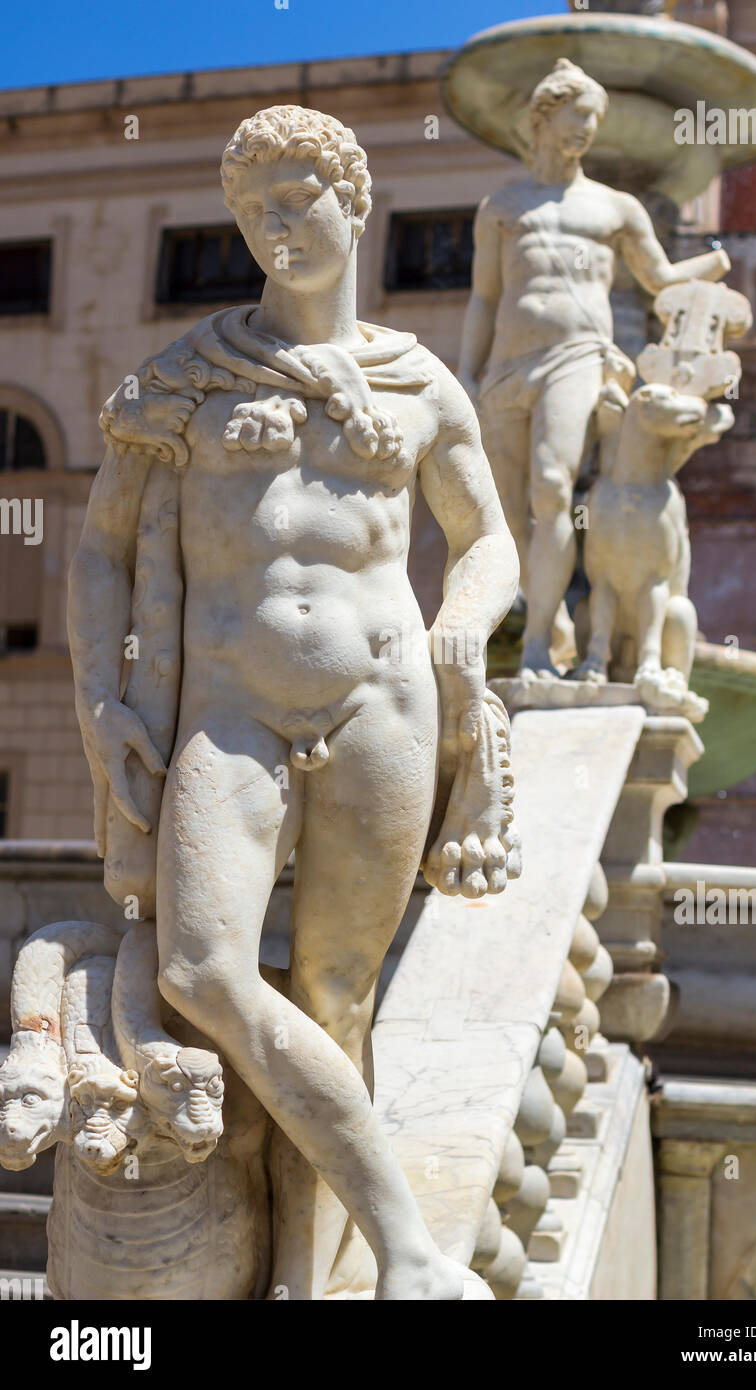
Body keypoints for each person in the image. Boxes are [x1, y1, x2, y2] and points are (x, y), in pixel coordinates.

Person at [68, 104, 519, 1300]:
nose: (278, 223)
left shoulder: (416, 381)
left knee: (336, 992)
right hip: (228, 705)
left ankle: (303, 1283)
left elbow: (488, 542)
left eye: (300, 194)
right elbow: (101, 545)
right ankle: (410, 1245)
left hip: (384, 702)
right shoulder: (184, 378)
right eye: (254, 205)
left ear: (354, 200)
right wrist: (101, 695)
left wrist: (462, 622)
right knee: (203, 969)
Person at [458, 57, 730, 675]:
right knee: (508, 507)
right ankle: (547, 619)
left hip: (578, 355)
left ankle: (532, 654)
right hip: (506, 364)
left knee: (553, 488)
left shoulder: (616, 207)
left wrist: (716, 265)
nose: (587, 130)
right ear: (544, 117)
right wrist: (467, 372)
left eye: (595, 121)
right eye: (578, 117)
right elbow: (485, 297)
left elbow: (658, 278)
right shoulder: (501, 206)